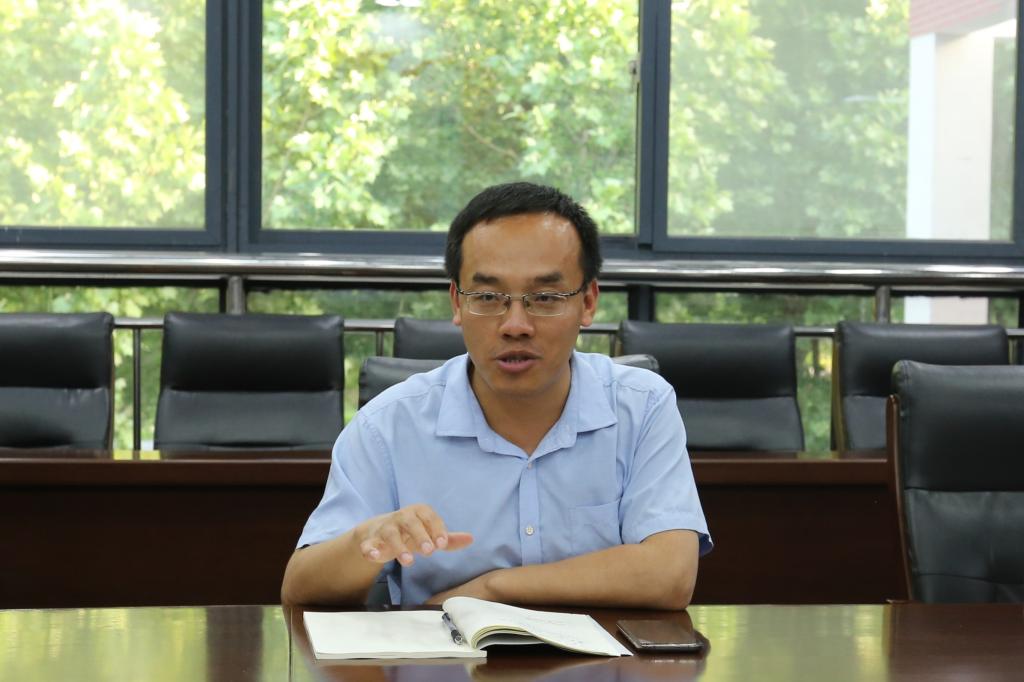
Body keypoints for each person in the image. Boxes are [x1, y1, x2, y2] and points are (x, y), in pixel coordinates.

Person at [281, 182, 711, 608]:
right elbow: (300, 589)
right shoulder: (389, 425)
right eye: (488, 297)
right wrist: (365, 540)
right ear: (456, 302)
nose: (515, 325)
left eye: (545, 297)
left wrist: (490, 589)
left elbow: (670, 574)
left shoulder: (642, 406)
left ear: (588, 302)